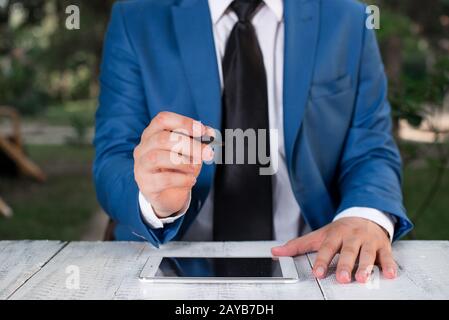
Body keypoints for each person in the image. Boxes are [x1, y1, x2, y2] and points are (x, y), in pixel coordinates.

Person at [94, 0, 413, 284]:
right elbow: (114, 156)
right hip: (167, 267)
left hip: (315, 268)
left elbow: (371, 149)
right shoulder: (135, 18)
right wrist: (154, 200)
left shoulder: (349, 19)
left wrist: (364, 215)